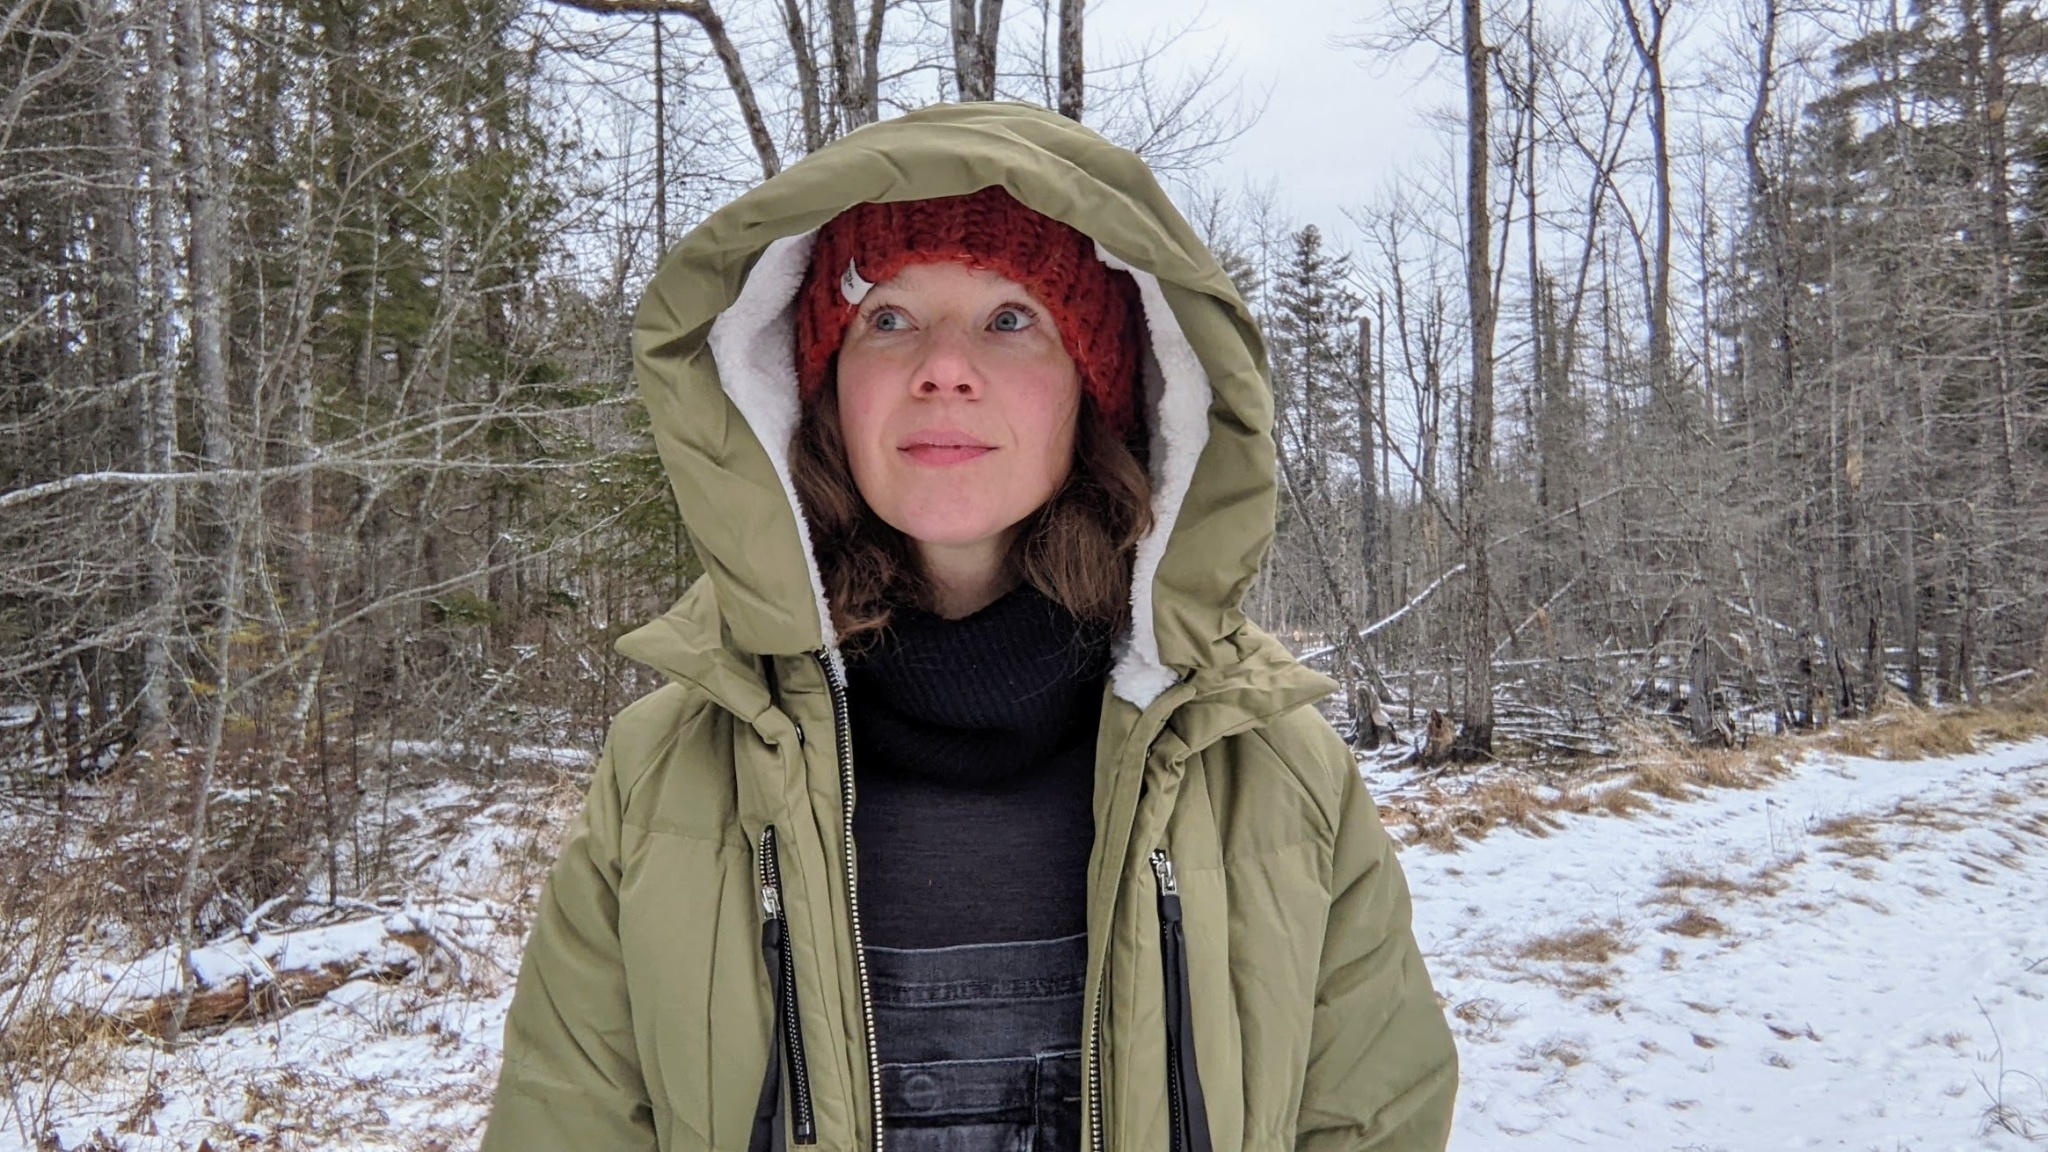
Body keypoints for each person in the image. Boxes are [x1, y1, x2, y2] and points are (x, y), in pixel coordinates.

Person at [481, 102, 1457, 1152]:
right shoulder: (665, 775)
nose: (943, 368)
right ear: (821, 391)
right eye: (888, 318)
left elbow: (1371, 1121)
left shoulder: (1271, 771)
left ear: (1092, 391)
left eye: (1009, 319)